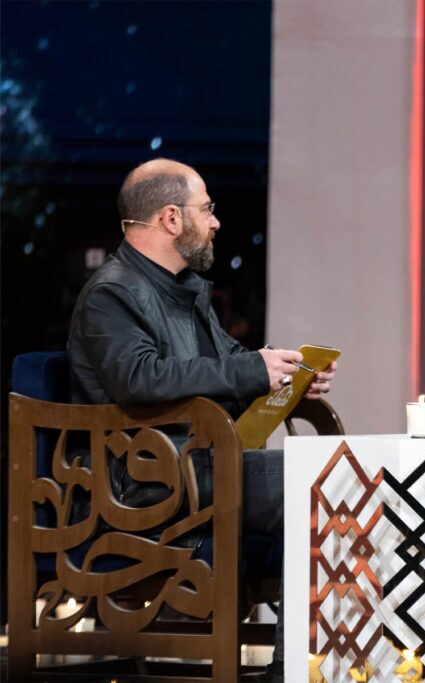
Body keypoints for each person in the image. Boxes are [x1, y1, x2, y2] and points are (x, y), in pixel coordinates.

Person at [67, 158, 334, 681]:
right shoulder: (111, 294)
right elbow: (140, 379)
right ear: (171, 218)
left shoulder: (183, 289)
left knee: (331, 475)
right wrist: (251, 370)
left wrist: (287, 373)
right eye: (206, 209)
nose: (215, 221)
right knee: (311, 481)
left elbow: (229, 362)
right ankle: (294, 671)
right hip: (142, 481)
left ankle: (313, 663)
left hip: (193, 468)